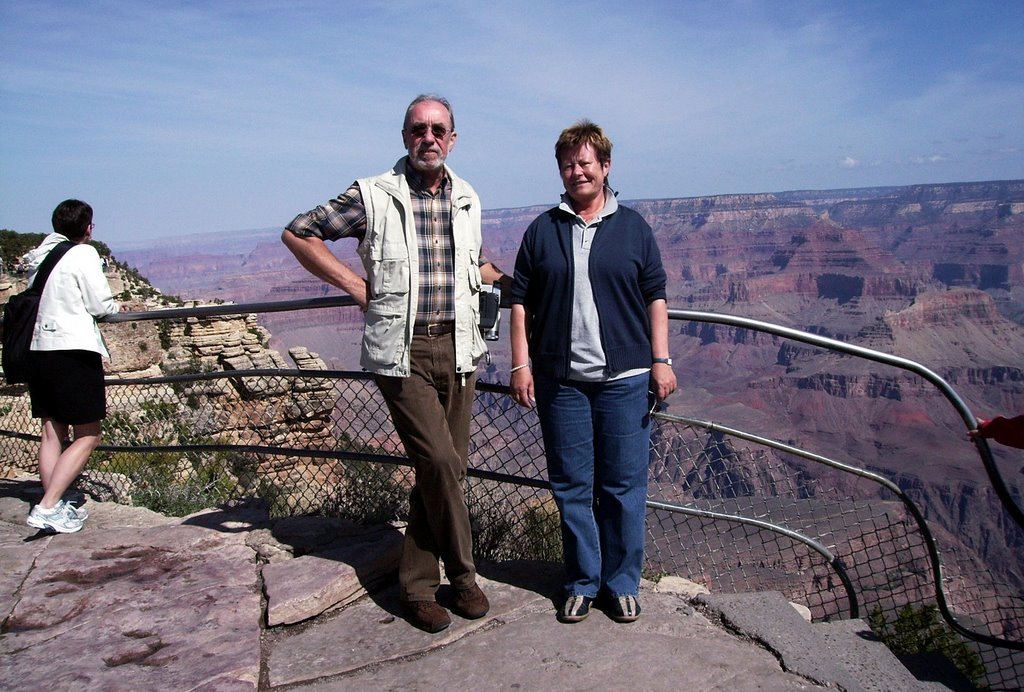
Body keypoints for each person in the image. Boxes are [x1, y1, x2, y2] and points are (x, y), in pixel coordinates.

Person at [281, 94, 508, 633]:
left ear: (453, 138)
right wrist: (356, 286)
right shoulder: (373, 195)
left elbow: (471, 263)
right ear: (405, 136)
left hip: (460, 347)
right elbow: (298, 231)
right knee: (442, 463)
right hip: (401, 350)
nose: (428, 138)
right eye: (418, 129)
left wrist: (525, 281)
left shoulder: (468, 195)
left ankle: (419, 582)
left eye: (438, 130)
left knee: (440, 467)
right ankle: (463, 576)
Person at [509, 120, 676, 624]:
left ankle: (622, 582)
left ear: (605, 167)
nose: (577, 170)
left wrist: (661, 360)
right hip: (561, 381)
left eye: (586, 162)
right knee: (571, 485)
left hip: (625, 379)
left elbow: (656, 297)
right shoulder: (543, 230)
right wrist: (520, 364)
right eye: (568, 163)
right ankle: (582, 581)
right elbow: (519, 303)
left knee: (624, 485)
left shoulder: (633, 228)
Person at [24, 199, 118, 533]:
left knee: (52, 431)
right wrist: (113, 303)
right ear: (87, 227)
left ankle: (54, 504)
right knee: (88, 434)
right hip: (71, 351)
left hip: (38, 350)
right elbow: (100, 303)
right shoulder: (83, 253)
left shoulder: (40, 256)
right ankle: (48, 507)